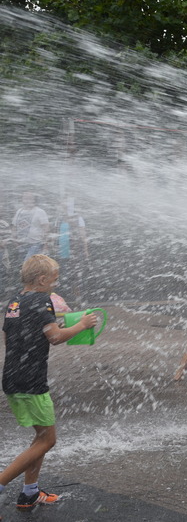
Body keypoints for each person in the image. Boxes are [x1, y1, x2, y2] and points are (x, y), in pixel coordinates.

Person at [1, 254, 98, 511]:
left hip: (12, 377)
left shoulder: (14, 302)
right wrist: (82, 325)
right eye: (55, 280)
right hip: (31, 381)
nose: (57, 283)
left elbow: (11, 338)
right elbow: (54, 337)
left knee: (40, 435)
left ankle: (29, 493)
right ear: (42, 279)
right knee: (48, 440)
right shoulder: (42, 299)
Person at [52, 197, 89, 302]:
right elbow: (55, 234)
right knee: (64, 274)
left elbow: (83, 235)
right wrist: (54, 247)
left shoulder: (78, 218)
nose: (64, 208)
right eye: (63, 206)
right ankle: (68, 297)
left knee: (77, 274)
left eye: (66, 206)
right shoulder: (59, 219)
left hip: (76, 252)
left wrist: (86, 250)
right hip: (62, 252)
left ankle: (81, 297)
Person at [12, 192, 49, 263]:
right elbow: (14, 226)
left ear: (34, 200)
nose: (27, 200)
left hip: (35, 244)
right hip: (21, 244)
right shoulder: (19, 211)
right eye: (25, 198)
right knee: (23, 266)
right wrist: (14, 239)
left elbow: (46, 228)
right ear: (22, 200)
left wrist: (46, 244)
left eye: (30, 198)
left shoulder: (40, 211)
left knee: (28, 264)